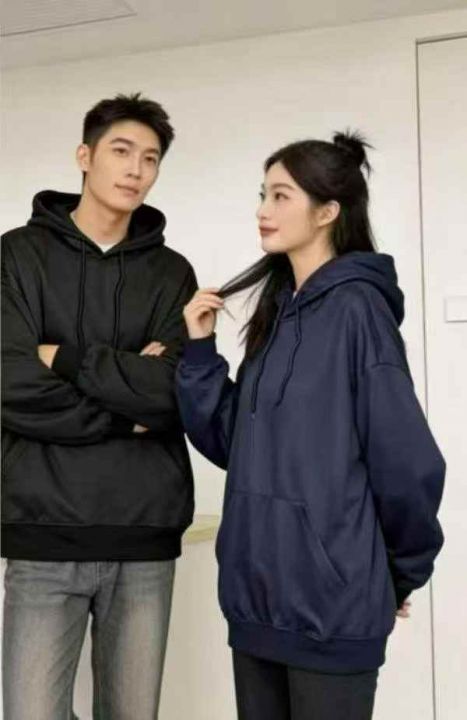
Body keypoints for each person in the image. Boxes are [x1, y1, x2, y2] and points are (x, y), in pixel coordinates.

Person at [175, 132, 445, 720]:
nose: (263, 209)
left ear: (327, 212)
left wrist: (397, 573)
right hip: (256, 608)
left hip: (331, 611)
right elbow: (236, 443)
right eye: (263, 194)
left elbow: (407, 460)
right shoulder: (278, 314)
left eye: (281, 196)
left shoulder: (358, 312)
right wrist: (199, 352)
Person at [2, 93, 197, 720]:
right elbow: (8, 382)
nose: (136, 169)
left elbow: (173, 392)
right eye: (121, 150)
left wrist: (60, 357)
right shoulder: (15, 257)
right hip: (41, 530)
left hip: (144, 534)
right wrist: (123, 411)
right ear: (84, 157)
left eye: (151, 158)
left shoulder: (172, 273)